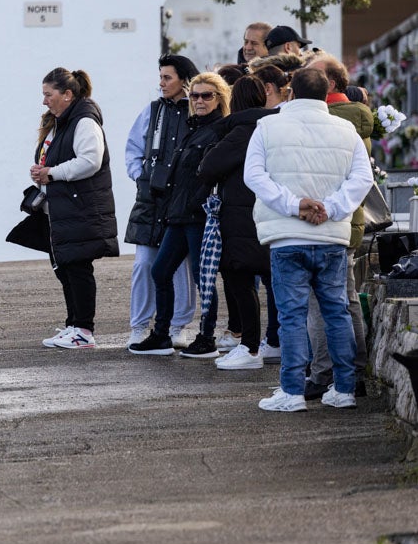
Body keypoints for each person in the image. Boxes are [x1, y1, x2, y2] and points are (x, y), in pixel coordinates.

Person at [245, 67, 372, 412]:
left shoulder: (268, 126)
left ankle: (292, 391)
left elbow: (254, 175)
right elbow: (363, 178)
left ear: (291, 92)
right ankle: (344, 389)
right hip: (332, 237)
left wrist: (294, 204)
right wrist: (330, 208)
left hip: (287, 237)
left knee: (291, 316)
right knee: (337, 313)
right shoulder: (347, 130)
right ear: (325, 94)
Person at [129, 72, 231, 357]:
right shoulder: (192, 128)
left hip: (199, 216)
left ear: (219, 99)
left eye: (206, 95)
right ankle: (161, 334)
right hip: (178, 214)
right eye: (195, 95)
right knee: (160, 270)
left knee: (204, 278)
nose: (198, 101)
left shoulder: (220, 129)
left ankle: (206, 337)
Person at [301, 52, 373, 398]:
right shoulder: (354, 117)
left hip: (328, 219)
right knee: (344, 301)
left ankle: (326, 372)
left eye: (311, 77)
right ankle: (353, 370)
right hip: (346, 218)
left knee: (322, 302)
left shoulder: (332, 118)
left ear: (329, 83)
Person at [31, 68, 118, 350]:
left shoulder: (84, 121)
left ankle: (83, 330)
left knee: (77, 267)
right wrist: (42, 172)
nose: (44, 101)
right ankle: (74, 325)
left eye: (49, 94)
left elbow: (90, 161)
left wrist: (52, 173)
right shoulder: (64, 121)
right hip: (64, 209)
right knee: (66, 267)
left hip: (80, 208)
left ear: (67, 95)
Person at [197, 76, 278, 369]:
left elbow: (208, 168)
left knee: (240, 281)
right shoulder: (274, 127)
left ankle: (250, 347)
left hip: (240, 218)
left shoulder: (242, 130)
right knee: (273, 282)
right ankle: (273, 343)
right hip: (270, 214)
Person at [123, 55, 198, 347]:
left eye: (167, 77)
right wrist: (140, 176)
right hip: (150, 199)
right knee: (143, 264)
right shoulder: (152, 111)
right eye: (161, 77)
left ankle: (178, 326)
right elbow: (133, 147)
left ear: (183, 79)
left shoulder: (196, 110)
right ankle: (139, 325)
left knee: (182, 267)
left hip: (182, 200)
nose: (161, 83)